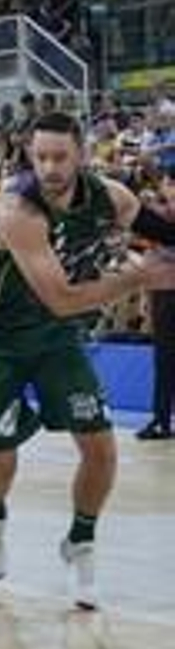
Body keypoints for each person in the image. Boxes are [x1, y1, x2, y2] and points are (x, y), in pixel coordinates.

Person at [0, 111, 175, 607]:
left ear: (82, 153)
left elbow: (163, 233)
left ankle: (81, 542)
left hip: (54, 338)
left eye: (60, 156)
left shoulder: (110, 197)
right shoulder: (17, 210)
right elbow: (62, 298)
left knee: (101, 448)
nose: (51, 167)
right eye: (41, 157)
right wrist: (139, 278)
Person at [135, 156, 175, 441]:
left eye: (166, 182)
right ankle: (161, 420)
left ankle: (161, 421)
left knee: (165, 357)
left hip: (168, 290)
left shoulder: (165, 213)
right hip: (162, 288)